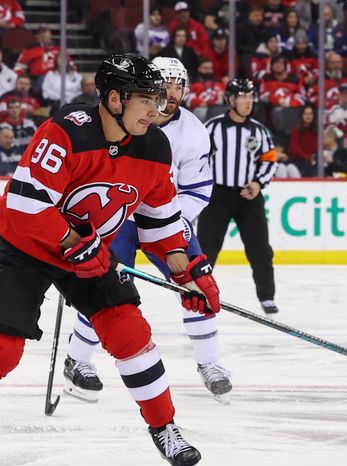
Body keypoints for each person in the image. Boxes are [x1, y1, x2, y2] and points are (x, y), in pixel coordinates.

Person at [0, 53, 219, 466]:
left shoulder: (154, 146)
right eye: (146, 100)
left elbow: (163, 226)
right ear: (115, 98)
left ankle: (165, 428)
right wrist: (78, 242)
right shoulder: (67, 131)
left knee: (129, 331)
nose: (158, 110)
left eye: (158, 100)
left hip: (88, 251)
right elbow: (24, 206)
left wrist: (191, 274)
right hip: (27, 247)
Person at [63, 56, 231, 404]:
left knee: (196, 279)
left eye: (178, 84)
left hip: (166, 218)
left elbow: (198, 190)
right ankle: (78, 360)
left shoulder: (194, 132)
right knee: (104, 287)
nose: (171, 91)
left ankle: (210, 363)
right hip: (119, 219)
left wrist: (169, 222)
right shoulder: (124, 120)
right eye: (163, 84)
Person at [199, 79, 279, 314]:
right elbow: (197, 159)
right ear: (230, 100)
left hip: (249, 197)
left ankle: (267, 296)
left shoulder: (259, 130)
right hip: (218, 196)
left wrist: (258, 183)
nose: (248, 102)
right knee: (205, 250)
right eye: (242, 97)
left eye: (250, 96)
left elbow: (270, 161)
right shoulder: (212, 128)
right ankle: (196, 293)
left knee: (260, 249)